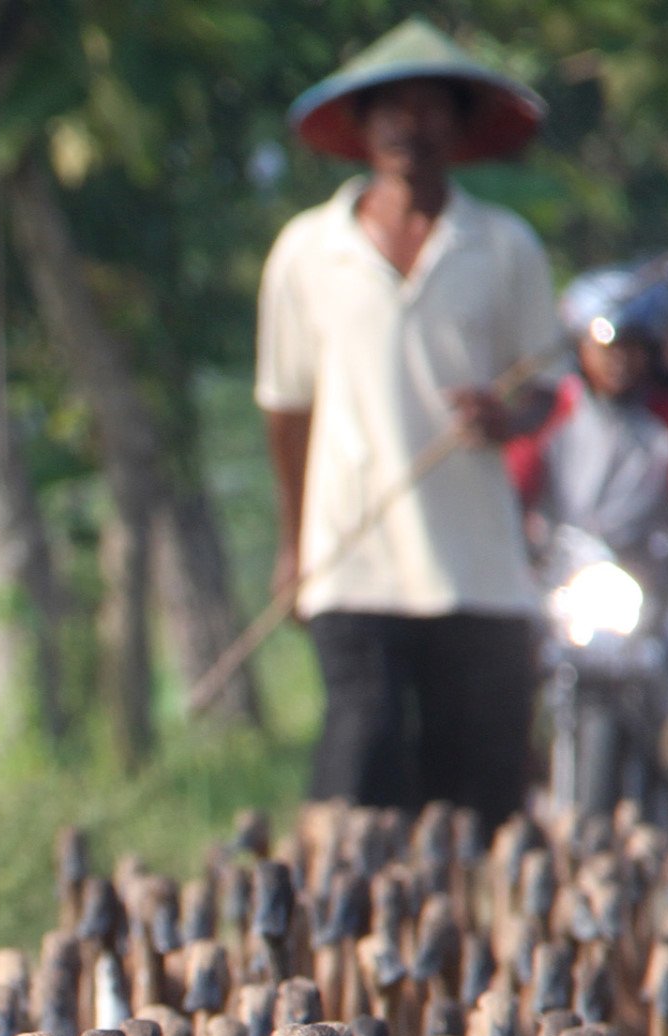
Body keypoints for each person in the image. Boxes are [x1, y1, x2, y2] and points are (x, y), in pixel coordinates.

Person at [256, 21, 559, 829]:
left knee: (481, 785)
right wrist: (295, 546)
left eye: (429, 109)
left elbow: (546, 391)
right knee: (363, 757)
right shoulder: (307, 251)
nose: (408, 126)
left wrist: (504, 417)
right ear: (361, 127)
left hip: (476, 565)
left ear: (459, 128)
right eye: (390, 108)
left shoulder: (502, 247)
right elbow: (287, 409)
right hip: (352, 554)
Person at [506, 266, 668, 810]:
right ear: (579, 348)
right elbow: (517, 481)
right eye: (607, 347)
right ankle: (521, 757)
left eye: (633, 348)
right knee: (502, 647)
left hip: (656, 574)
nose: (620, 361)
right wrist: (509, 526)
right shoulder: (553, 410)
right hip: (565, 574)